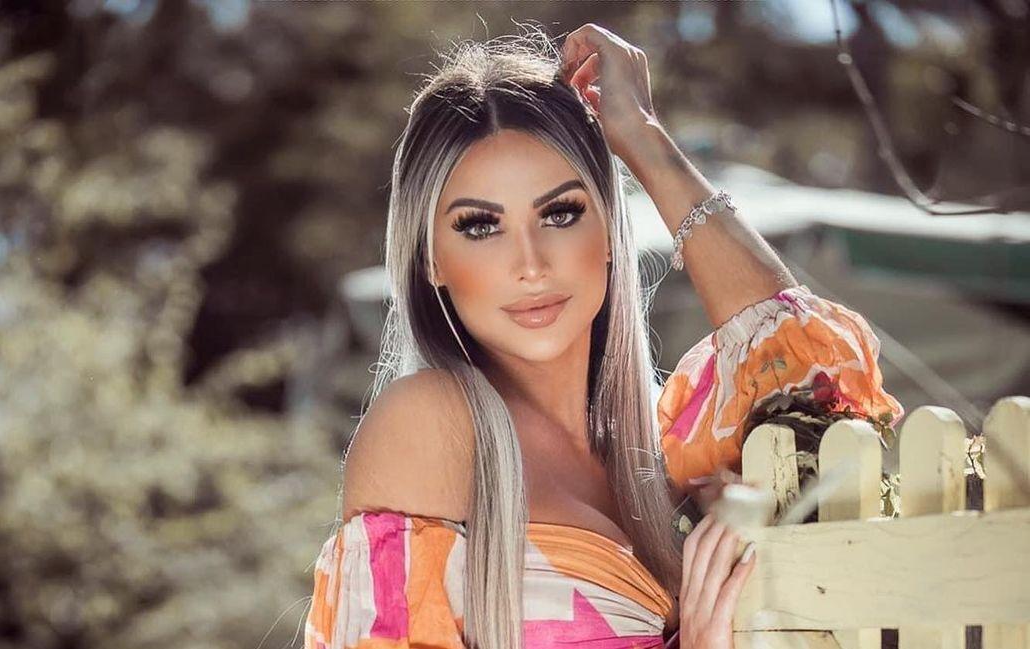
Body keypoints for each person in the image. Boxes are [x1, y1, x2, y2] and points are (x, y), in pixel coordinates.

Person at [304, 23, 904, 649]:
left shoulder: (666, 453)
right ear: (432, 260)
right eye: (480, 226)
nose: (531, 265)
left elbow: (815, 384)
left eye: (560, 213)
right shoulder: (431, 427)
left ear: (610, 231)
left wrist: (642, 137)